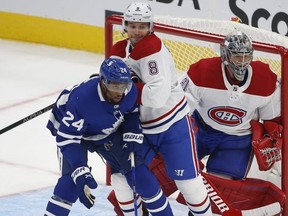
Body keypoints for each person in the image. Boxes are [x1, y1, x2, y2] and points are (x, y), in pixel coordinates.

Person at [107, 2, 213, 216]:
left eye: (142, 26)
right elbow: (108, 84)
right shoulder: (119, 50)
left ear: (150, 26)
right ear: (125, 26)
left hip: (173, 126)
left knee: (188, 185)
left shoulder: (153, 50)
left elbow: (156, 96)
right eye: (133, 26)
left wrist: (121, 88)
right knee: (121, 178)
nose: (137, 31)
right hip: (140, 128)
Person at [44, 58, 174, 216]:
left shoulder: (129, 90)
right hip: (76, 136)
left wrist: (132, 130)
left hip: (108, 132)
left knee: (141, 177)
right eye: (114, 86)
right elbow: (68, 138)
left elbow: (130, 109)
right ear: (103, 82)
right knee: (69, 185)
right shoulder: (82, 100)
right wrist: (79, 168)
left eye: (123, 85)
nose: (120, 91)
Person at [179, 30, 282, 180]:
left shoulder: (266, 79)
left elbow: (273, 120)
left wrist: (273, 140)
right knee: (174, 172)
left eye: (246, 56)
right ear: (225, 55)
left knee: (220, 192)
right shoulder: (202, 71)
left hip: (237, 139)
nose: (242, 61)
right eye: (237, 56)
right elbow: (179, 107)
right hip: (200, 129)